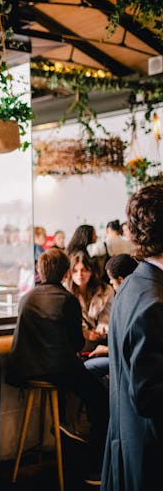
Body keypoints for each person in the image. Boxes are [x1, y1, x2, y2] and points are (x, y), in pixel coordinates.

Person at [7, 249, 108, 485]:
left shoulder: (27, 297)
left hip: (24, 371)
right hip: (57, 371)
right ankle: (93, 465)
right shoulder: (67, 300)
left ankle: (63, 429)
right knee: (101, 399)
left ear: (40, 271)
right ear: (65, 273)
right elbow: (77, 342)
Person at [102, 183, 163, 491]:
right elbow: (151, 396)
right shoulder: (154, 300)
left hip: (128, 441)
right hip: (150, 457)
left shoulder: (133, 283)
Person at [84, 255, 138, 386]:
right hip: (125, 357)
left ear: (121, 279)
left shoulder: (130, 301)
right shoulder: (137, 296)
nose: (112, 286)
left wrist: (108, 350)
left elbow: (132, 345)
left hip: (127, 361)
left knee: (87, 368)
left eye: (112, 282)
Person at [64, 251, 114, 353]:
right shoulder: (65, 293)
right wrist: (85, 332)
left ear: (90, 271)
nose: (80, 275)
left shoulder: (105, 291)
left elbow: (107, 317)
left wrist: (102, 329)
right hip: (76, 346)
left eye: (83, 270)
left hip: (103, 343)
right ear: (70, 273)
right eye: (75, 271)